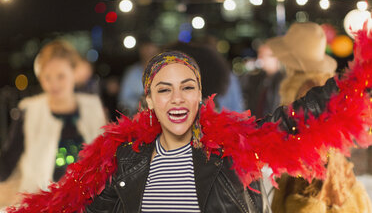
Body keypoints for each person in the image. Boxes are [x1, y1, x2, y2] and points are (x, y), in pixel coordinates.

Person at [6, 26, 372, 213]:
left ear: (201, 96)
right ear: (148, 100)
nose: (177, 98)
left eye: (187, 87)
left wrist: (361, 82)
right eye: (164, 89)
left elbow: (293, 122)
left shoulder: (231, 146)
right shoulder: (123, 158)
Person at [266, 22, 372, 213]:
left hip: (310, 181)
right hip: (326, 173)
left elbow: (312, 143)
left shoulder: (308, 87)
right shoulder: (322, 83)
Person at [0, 40, 106, 207]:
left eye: (61, 76)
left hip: (88, 202)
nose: (54, 84)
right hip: (41, 205)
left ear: (74, 73)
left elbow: (106, 158)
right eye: (47, 77)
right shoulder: (29, 111)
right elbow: (7, 161)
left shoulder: (93, 108)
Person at [241, 43, 284, 118]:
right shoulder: (260, 78)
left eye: (263, 55)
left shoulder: (282, 81)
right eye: (259, 55)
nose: (259, 58)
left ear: (275, 58)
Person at [118, 41, 160, 116]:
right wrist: (141, 105)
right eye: (146, 51)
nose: (149, 54)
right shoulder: (132, 72)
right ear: (141, 52)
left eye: (152, 53)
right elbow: (124, 99)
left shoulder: (165, 72)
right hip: (138, 116)